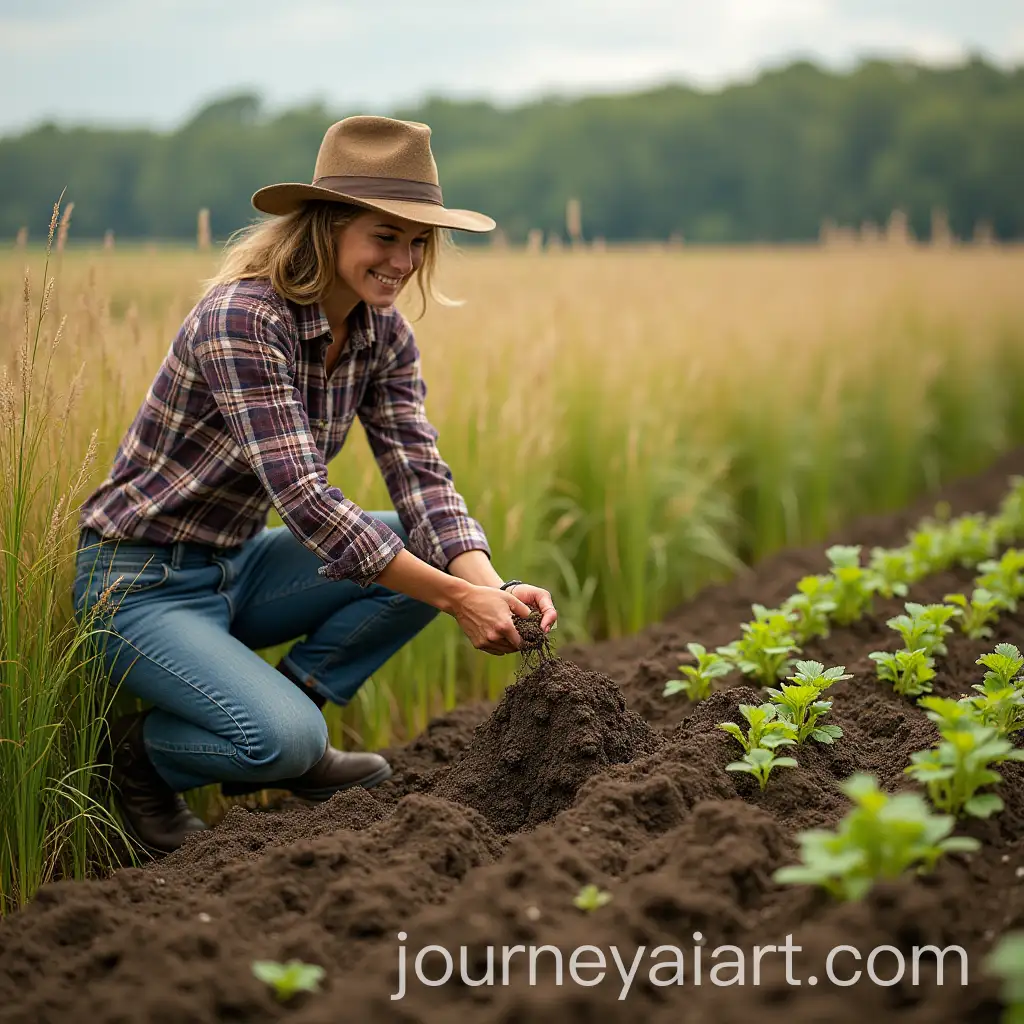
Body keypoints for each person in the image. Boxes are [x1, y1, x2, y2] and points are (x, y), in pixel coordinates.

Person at [72, 115, 558, 856]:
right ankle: (142, 758)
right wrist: (459, 599)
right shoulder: (243, 317)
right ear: (326, 229)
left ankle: (288, 709)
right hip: (138, 582)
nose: (403, 260)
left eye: (418, 240)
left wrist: (493, 584)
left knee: (406, 540)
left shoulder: (382, 333)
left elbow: (421, 474)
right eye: (384, 236)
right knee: (288, 743)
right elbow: (304, 498)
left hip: (235, 565)